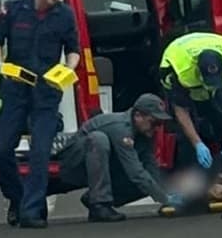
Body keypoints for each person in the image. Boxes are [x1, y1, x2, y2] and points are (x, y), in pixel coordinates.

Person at [0, 0, 81, 229]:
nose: (52, 2)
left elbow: (74, 51)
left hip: (46, 91)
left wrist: (68, 69)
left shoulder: (64, 15)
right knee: (3, 147)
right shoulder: (14, 8)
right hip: (16, 88)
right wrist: (0, 64)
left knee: (40, 152)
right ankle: (18, 199)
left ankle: (31, 212)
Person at [53, 93, 186, 222]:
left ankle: (94, 198)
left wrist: (164, 193)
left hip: (103, 164)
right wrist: (164, 198)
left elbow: (150, 164)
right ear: (138, 116)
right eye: (154, 122)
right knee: (99, 139)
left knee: (146, 182)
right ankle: (100, 204)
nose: (157, 128)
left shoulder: (144, 132)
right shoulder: (121, 128)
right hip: (75, 163)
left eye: (159, 124)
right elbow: (135, 171)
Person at [158, 32, 222, 173]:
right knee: (185, 135)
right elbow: (181, 110)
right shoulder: (181, 71)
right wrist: (197, 143)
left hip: (212, 51)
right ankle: (190, 178)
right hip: (178, 69)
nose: (210, 86)